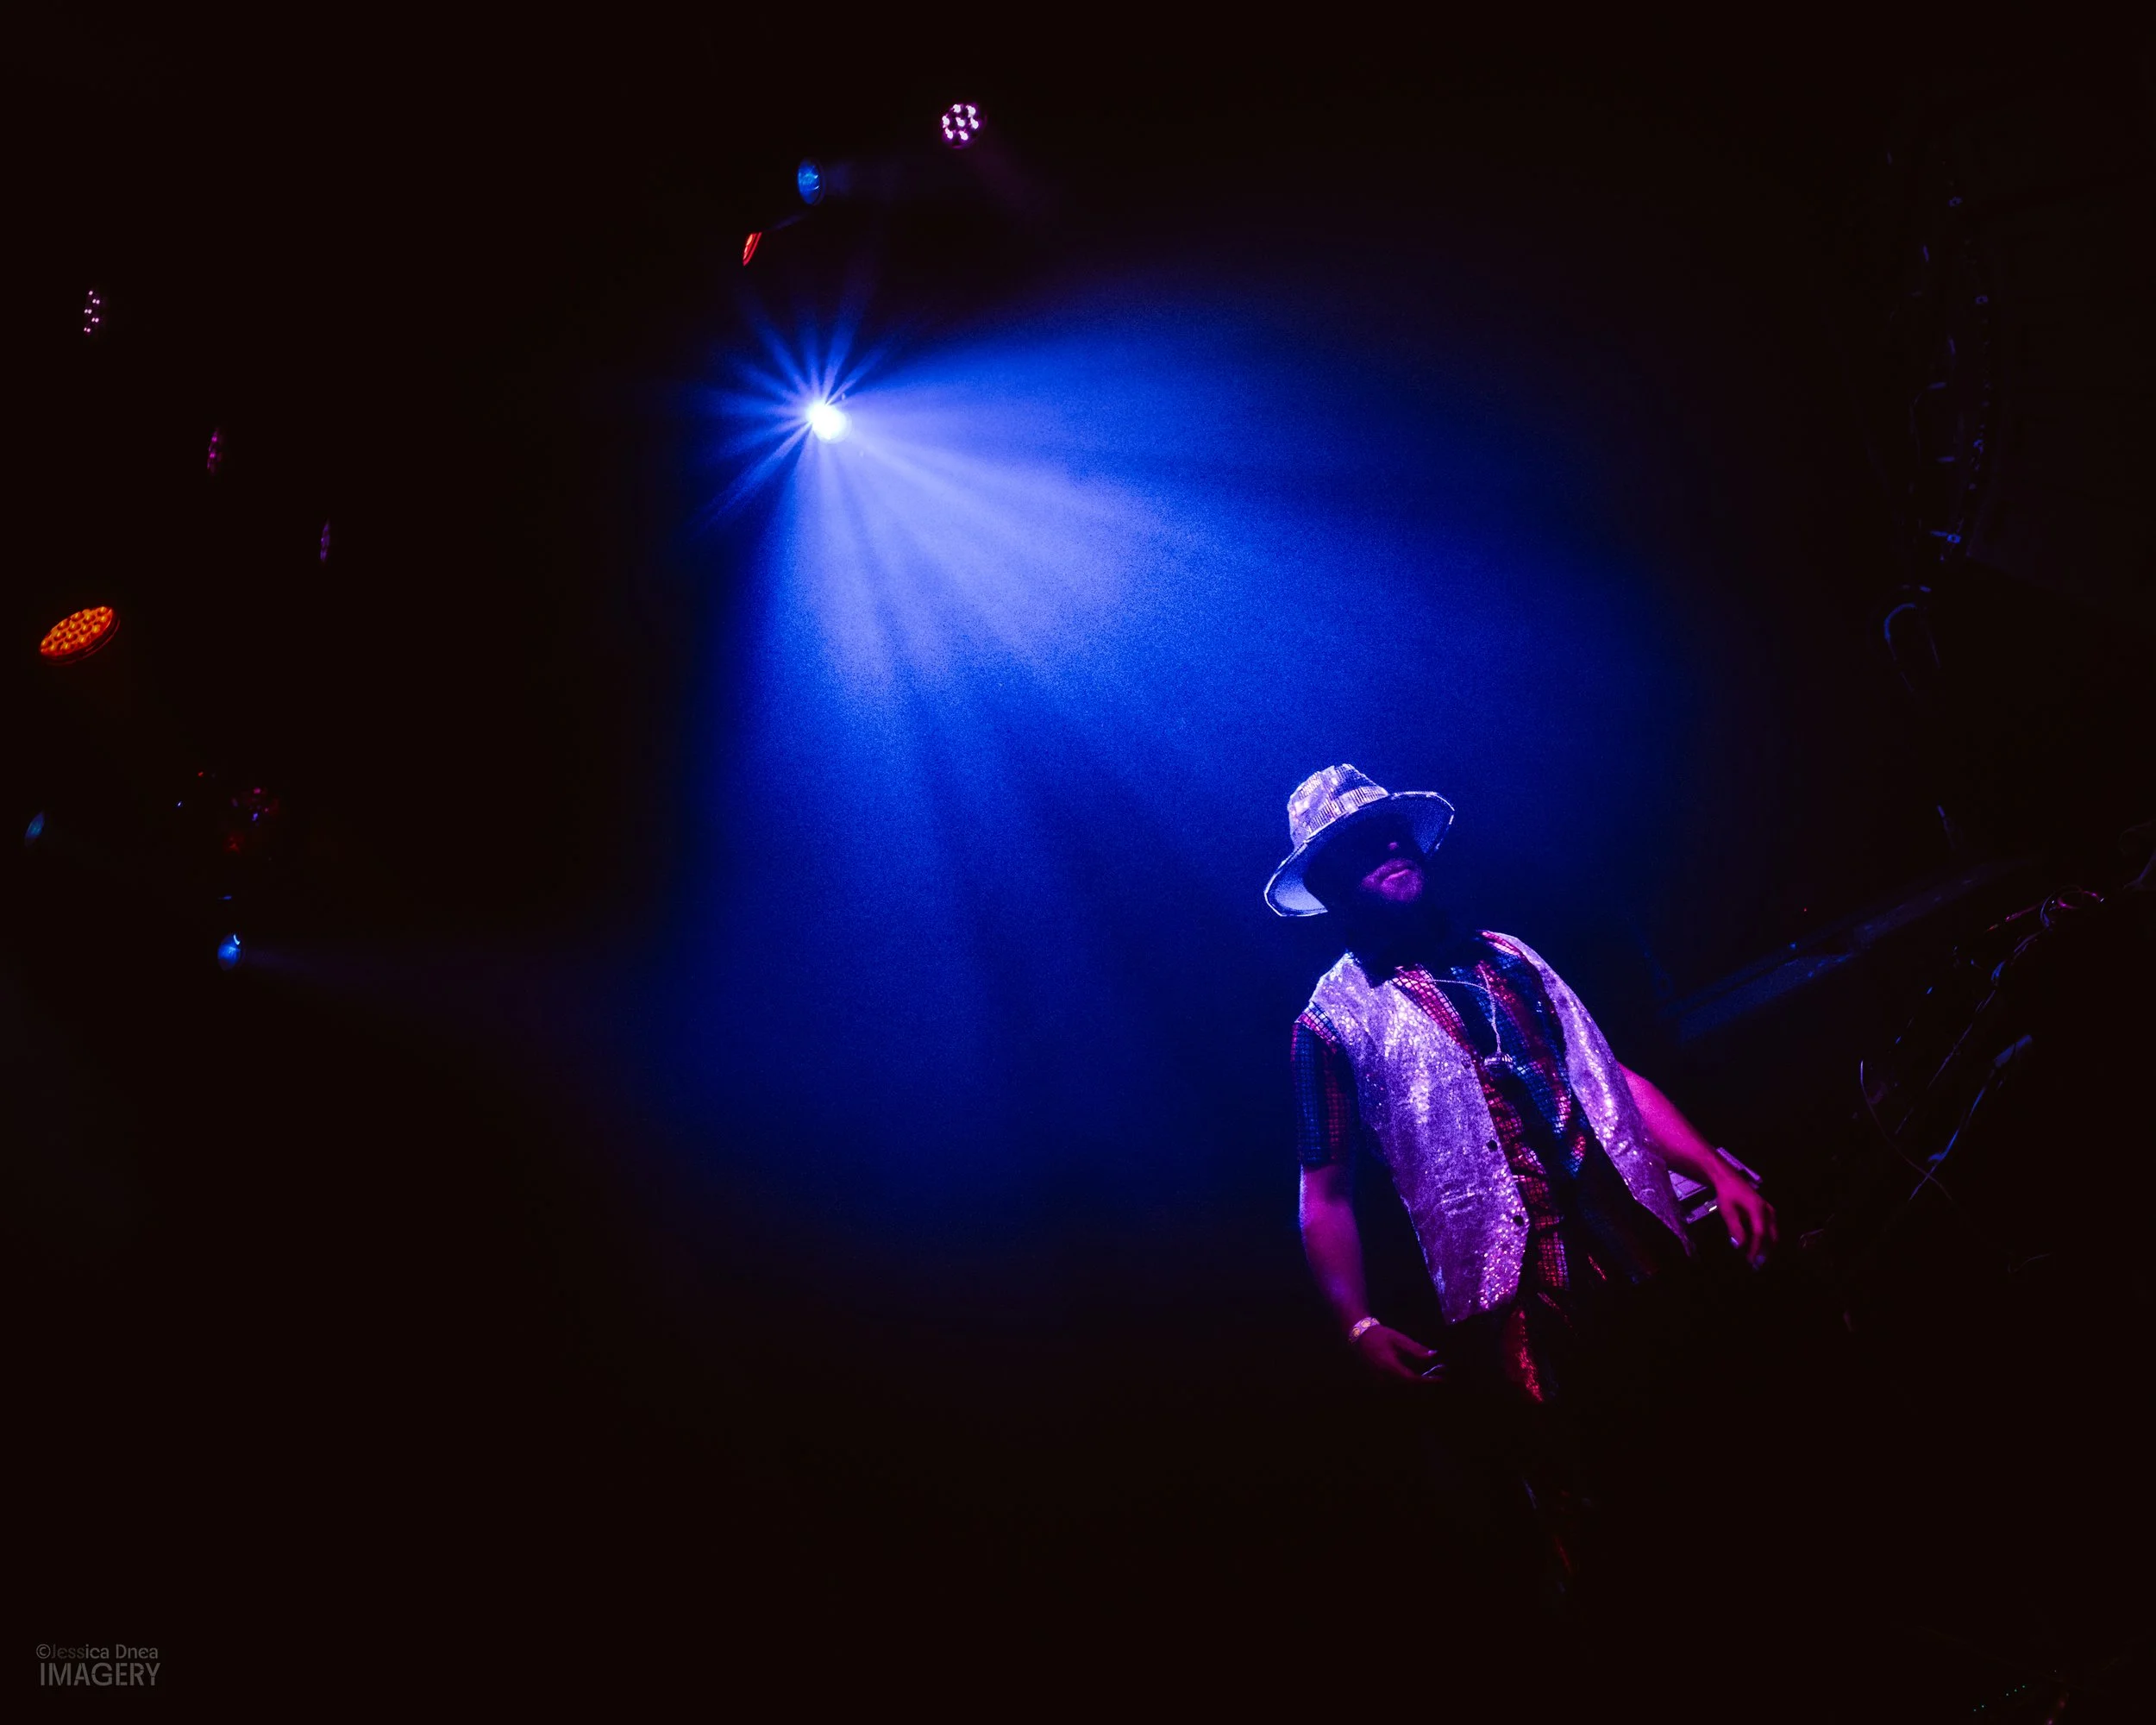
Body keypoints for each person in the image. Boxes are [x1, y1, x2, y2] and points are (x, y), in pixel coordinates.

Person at [1269, 764, 1776, 1593]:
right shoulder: (1329, 1023)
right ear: (1328, 883)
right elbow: (1322, 1192)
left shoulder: (1509, 957)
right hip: (1517, 1302)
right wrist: (1355, 1324)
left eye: (1393, 829)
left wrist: (1714, 1169)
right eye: (1361, 845)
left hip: (1635, 1241)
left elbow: (1606, 1077)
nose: (1391, 846)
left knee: (1714, 1453)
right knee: (1605, 1513)